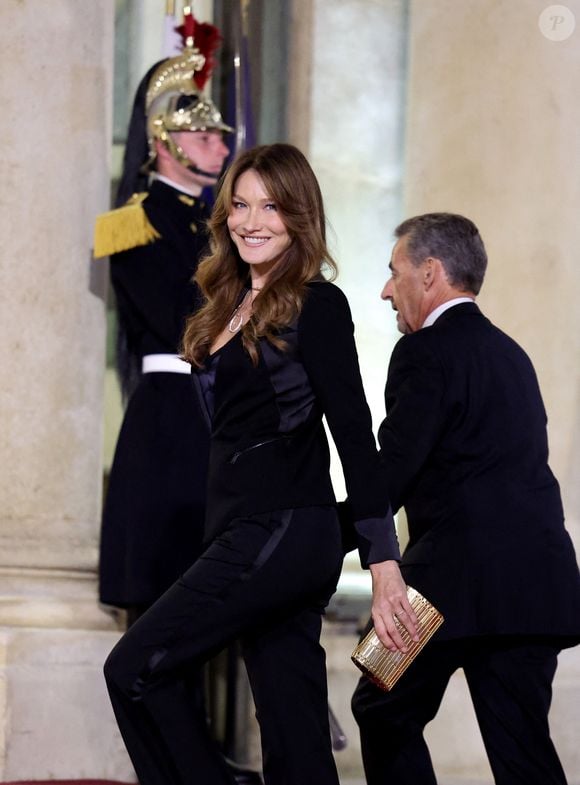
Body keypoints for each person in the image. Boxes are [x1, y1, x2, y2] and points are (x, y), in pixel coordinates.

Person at [103, 143, 419, 785]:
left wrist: (384, 564)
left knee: (133, 669)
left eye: (271, 206)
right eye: (241, 204)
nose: (252, 220)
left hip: (278, 531)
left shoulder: (316, 303)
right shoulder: (221, 304)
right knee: (294, 730)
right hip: (248, 531)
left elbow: (356, 439)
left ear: (299, 215)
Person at [351, 212, 580, 785]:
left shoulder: (423, 351)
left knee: (379, 705)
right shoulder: (511, 354)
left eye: (393, 271)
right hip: (534, 584)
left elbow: (391, 472)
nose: (385, 289)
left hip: (444, 583)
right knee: (522, 747)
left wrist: (314, 534)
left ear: (429, 274)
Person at [94, 38, 232, 621]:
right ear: (165, 145)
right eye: (205, 138)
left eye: (220, 136)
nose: (221, 146)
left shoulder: (223, 220)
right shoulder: (129, 224)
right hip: (172, 412)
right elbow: (180, 314)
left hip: (222, 408)